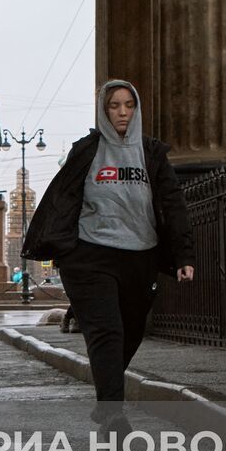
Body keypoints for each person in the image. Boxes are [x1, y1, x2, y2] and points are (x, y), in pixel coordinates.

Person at [22, 80, 196, 404]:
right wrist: (64, 249)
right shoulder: (87, 150)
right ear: (104, 110)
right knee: (107, 333)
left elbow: (173, 205)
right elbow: (64, 197)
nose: (122, 112)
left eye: (129, 105)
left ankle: (108, 395)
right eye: (114, 106)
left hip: (140, 257)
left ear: (136, 109)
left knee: (130, 333)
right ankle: (111, 413)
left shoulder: (152, 153)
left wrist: (184, 255)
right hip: (91, 257)